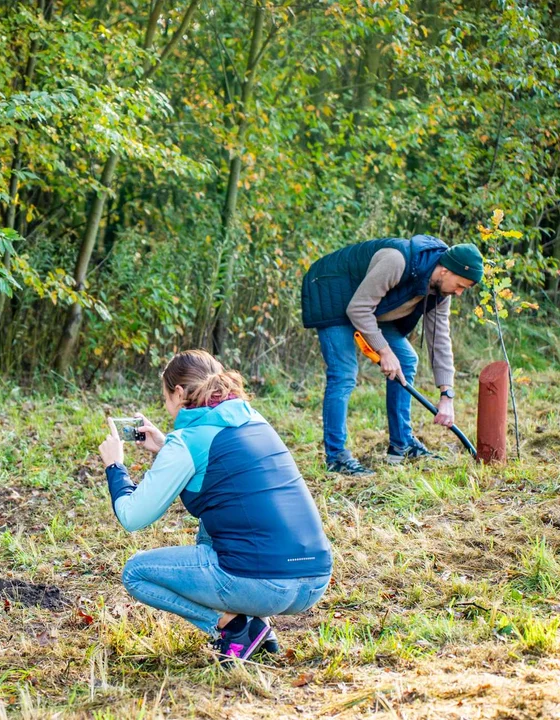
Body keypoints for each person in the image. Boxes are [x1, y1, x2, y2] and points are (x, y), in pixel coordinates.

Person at [98, 350, 332, 664]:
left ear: (179, 394)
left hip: (269, 586)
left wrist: (115, 466)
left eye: (166, 397)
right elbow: (216, 466)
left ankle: (230, 626)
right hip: (314, 579)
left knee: (136, 573)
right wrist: (166, 445)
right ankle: (255, 625)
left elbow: (132, 516)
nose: (166, 405)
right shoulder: (252, 419)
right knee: (222, 508)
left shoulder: (187, 441)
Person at [301, 236, 483, 475]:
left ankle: (401, 444)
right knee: (343, 374)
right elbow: (358, 308)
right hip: (331, 291)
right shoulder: (396, 261)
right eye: (461, 285)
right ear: (445, 271)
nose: (459, 293)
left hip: (369, 307)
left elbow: (439, 341)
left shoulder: (440, 293)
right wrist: (384, 351)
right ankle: (337, 458)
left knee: (406, 359)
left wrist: (446, 394)